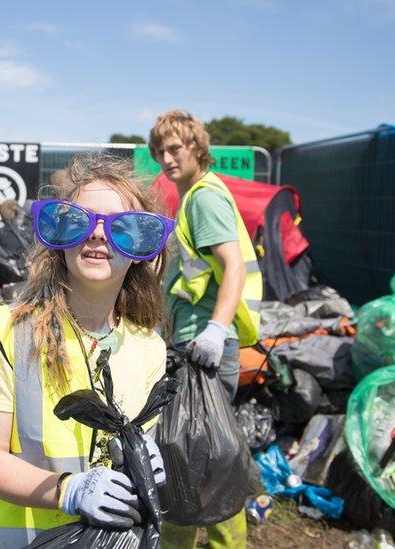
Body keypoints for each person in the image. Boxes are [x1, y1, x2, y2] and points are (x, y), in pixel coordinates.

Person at [0, 154, 175, 548]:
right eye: (79, 221)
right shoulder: (5, 331)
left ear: (142, 246)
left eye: (122, 227)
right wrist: (68, 491)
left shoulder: (149, 347)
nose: (99, 235)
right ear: (59, 234)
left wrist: (142, 459)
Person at [149, 110, 263, 548]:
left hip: (204, 349)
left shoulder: (203, 198)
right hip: (195, 344)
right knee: (201, 456)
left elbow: (232, 265)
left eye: (175, 148)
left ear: (198, 148)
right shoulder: (197, 195)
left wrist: (215, 329)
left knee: (194, 459)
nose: (167, 158)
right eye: (160, 151)